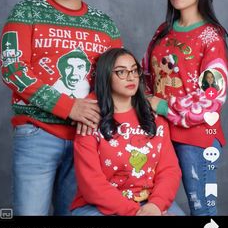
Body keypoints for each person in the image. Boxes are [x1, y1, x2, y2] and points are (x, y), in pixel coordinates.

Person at [0, 0, 122, 215]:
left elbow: (114, 77)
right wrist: (70, 107)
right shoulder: (26, 11)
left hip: (88, 139)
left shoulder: (105, 24)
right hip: (37, 132)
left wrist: (91, 112)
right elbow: (13, 69)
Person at [142, 0, 227, 216]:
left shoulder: (212, 37)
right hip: (157, 132)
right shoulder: (163, 31)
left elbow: (212, 100)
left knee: (201, 210)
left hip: (196, 138)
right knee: (150, 203)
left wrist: (163, 105)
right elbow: (147, 74)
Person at [71, 47, 183, 216]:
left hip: (150, 203)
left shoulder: (154, 117)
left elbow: (169, 169)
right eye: (121, 72)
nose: (131, 77)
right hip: (99, 206)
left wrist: (155, 206)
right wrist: (135, 213)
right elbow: (91, 184)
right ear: (106, 75)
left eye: (134, 70)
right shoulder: (90, 120)